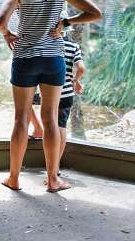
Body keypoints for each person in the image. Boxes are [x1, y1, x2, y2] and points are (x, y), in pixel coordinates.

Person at [0, 0, 101, 193]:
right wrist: (65, 23)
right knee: (51, 119)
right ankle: (53, 180)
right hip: (53, 59)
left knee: (21, 120)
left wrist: (8, 34)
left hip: (24, 59)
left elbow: (0, 20)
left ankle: (14, 178)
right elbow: (94, 12)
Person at [29, 26, 86, 170]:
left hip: (46, 90)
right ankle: (54, 167)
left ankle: (37, 128)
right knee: (61, 126)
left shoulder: (44, 44)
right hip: (66, 93)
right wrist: (75, 81)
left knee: (25, 103)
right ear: (66, 30)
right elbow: (81, 68)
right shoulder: (74, 46)